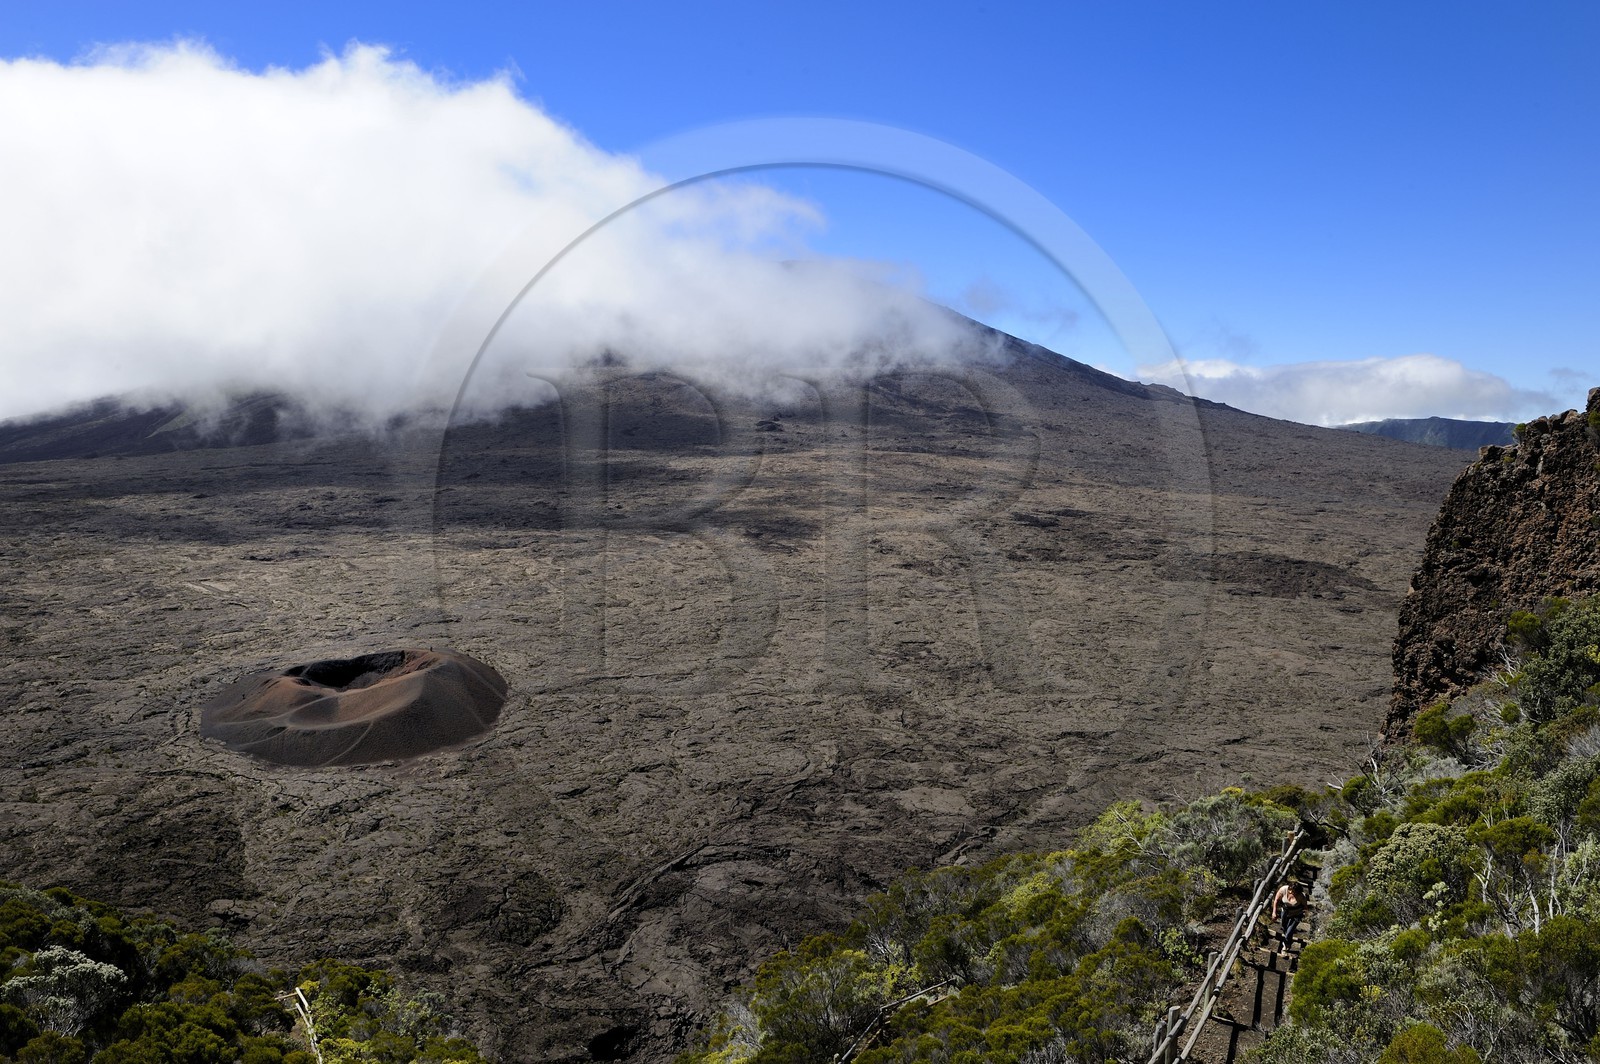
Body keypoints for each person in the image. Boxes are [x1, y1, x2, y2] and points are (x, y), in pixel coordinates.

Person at [1270, 880, 1308, 955]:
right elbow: (1276, 900)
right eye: (1290, 890)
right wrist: (1274, 912)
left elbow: (1305, 907)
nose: (1290, 892)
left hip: (1297, 914)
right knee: (1284, 927)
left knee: (1290, 930)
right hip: (1285, 911)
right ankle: (1288, 941)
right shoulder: (1283, 889)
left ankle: (1285, 947)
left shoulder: (1301, 896)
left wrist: (1305, 914)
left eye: (1293, 891)